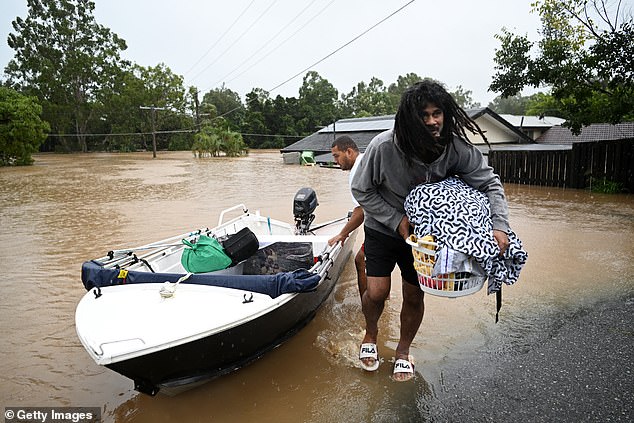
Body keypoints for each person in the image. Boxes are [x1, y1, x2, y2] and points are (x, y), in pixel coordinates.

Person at [351, 80, 510, 381]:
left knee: (413, 296)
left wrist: (499, 226)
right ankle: (370, 334)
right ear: (410, 120)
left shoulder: (455, 147)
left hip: (424, 239)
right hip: (383, 229)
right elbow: (362, 189)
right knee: (377, 291)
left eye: (438, 113)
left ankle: (402, 351)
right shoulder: (383, 146)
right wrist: (395, 219)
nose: (433, 121)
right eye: (424, 115)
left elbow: (490, 184)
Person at [327, 135, 366, 300]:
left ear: (349, 151)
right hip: (394, 223)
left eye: (337, 156)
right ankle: (382, 298)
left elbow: (361, 210)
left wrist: (342, 234)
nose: (336, 161)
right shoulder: (365, 159)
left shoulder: (357, 171)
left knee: (360, 261)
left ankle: (368, 306)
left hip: (384, 227)